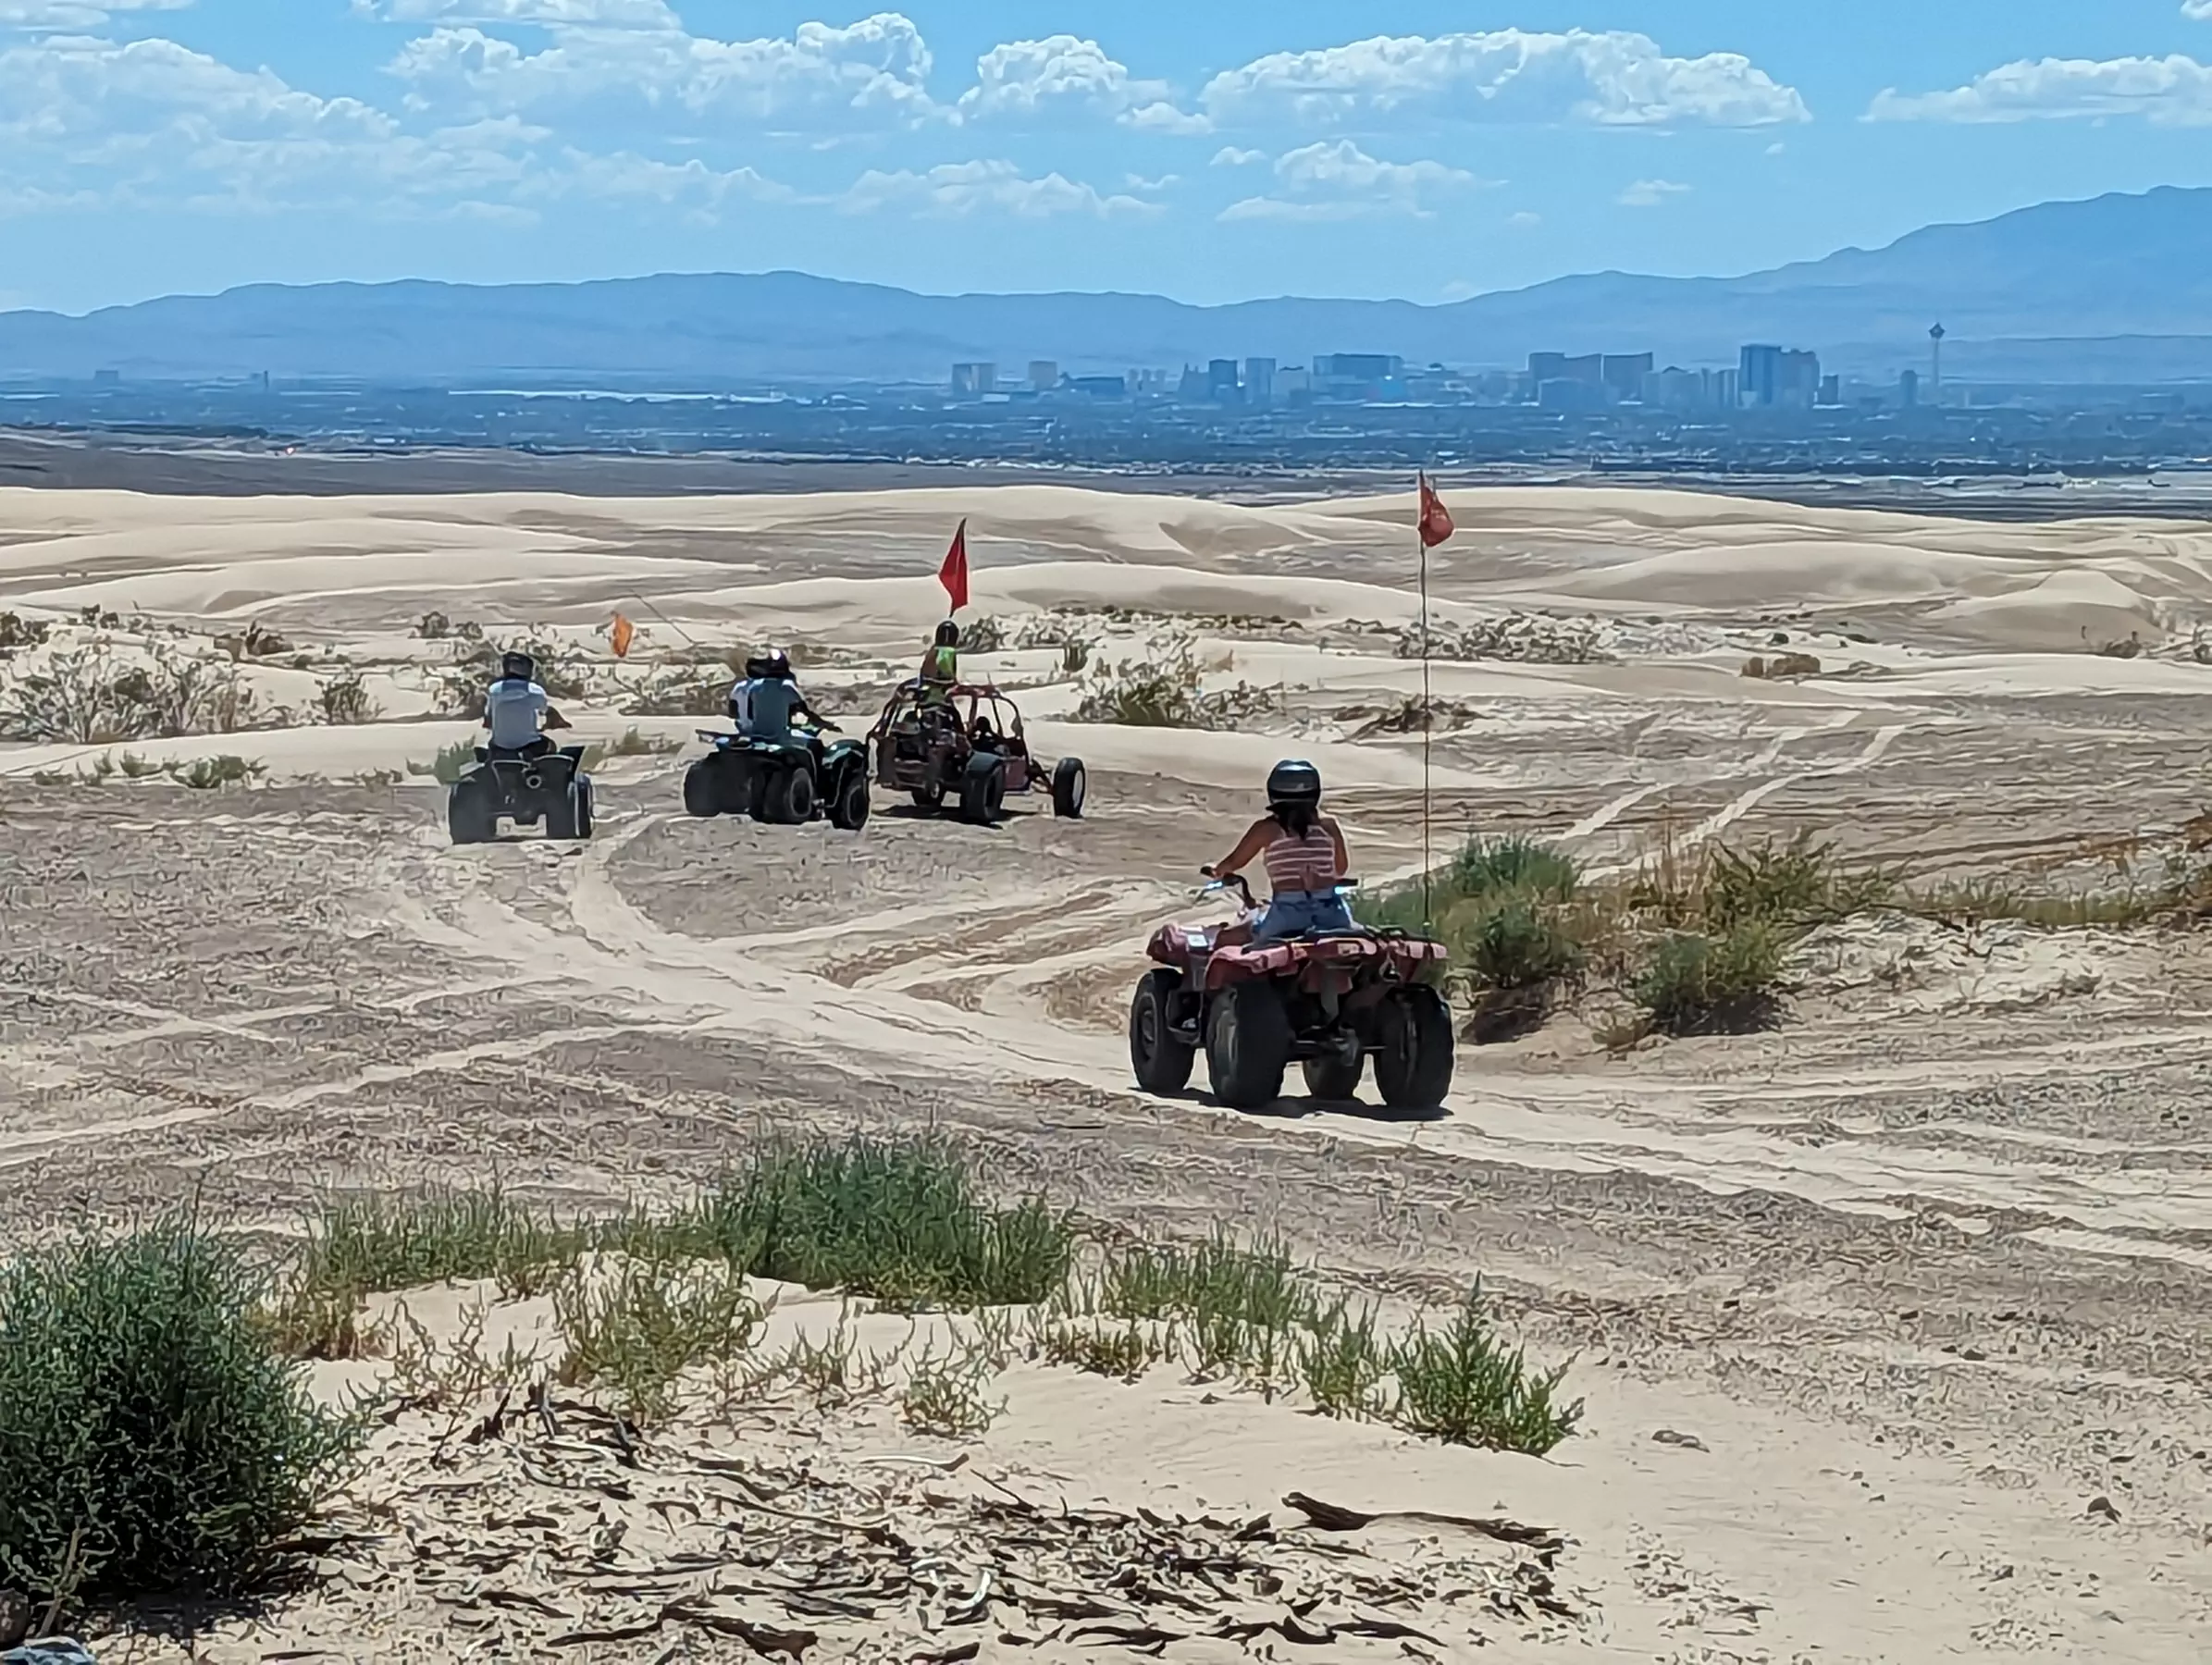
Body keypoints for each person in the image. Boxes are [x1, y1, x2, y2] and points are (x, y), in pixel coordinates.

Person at [1207, 759, 1353, 940]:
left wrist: (1217, 871)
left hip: (1287, 914)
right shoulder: (1328, 826)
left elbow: (1234, 862)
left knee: (1243, 939)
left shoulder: (1266, 829)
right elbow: (1340, 869)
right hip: (1332, 913)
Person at [483, 650, 570, 758]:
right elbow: (545, 710)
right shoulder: (535, 691)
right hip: (529, 745)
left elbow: (488, 718)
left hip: (500, 745)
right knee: (550, 745)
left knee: (490, 748)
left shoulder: (494, 690)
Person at [743, 648, 822, 748]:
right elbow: (805, 711)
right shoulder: (787, 687)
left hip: (756, 737)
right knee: (816, 744)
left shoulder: (754, 688)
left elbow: (750, 715)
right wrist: (823, 723)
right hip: (780, 738)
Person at [918, 620, 959, 707]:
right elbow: (945, 666)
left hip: (928, 684)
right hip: (940, 686)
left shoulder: (934, 649)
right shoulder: (949, 651)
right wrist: (953, 680)